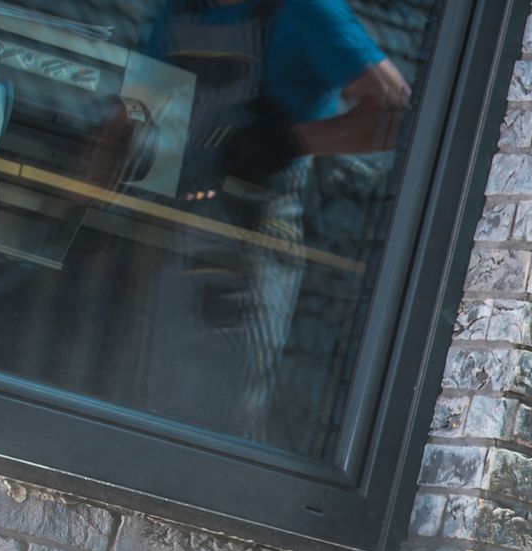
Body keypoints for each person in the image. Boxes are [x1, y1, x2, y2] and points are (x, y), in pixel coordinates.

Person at [146, 0, 410, 443]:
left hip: (253, 237)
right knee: (155, 402)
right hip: (171, 227)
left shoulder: (307, 12)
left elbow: (397, 111)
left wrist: (290, 141)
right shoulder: (181, 10)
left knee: (222, 413)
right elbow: (135, 109)